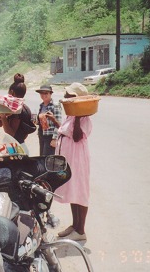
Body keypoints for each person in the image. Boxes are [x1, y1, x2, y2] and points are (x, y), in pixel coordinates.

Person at [55, 82, 92, 241]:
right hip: (68, 156)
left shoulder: (83, 118)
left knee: (80, 191)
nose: (65, 98)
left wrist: (77, 114)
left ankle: (81, 230)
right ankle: (75, 225)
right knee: (72, 190)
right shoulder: (70, 116)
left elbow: (77, 136)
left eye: (69, 96)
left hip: (78, 158)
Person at [0, 73, 35, 154]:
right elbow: (25, 133)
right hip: (20, 146)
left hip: (14, 149)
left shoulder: (17, 110)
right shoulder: (25, 108)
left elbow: (11, 134)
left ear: (12, 92)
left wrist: (3, 116)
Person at [36, 85, 62, 156]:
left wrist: (54, 138)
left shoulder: (55, 105)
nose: (43, 95)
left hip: (50, 136)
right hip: (42, 134)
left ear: (50, 94)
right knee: (41, 157)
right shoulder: (41, 106)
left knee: (47, 159)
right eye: (42, 93)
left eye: (46, 93)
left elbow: (59, 123)